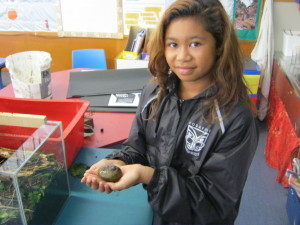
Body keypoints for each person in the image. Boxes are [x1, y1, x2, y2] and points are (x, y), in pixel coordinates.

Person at [81, 0, 259, 224]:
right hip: (158, 210)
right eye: (173, 44)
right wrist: (120, 162)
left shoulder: (235, 117)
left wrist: (148, 176)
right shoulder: (153, 92)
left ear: (219, 45)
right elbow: (137, 147)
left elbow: (215, 203)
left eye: (195, 44)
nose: (182, 56)